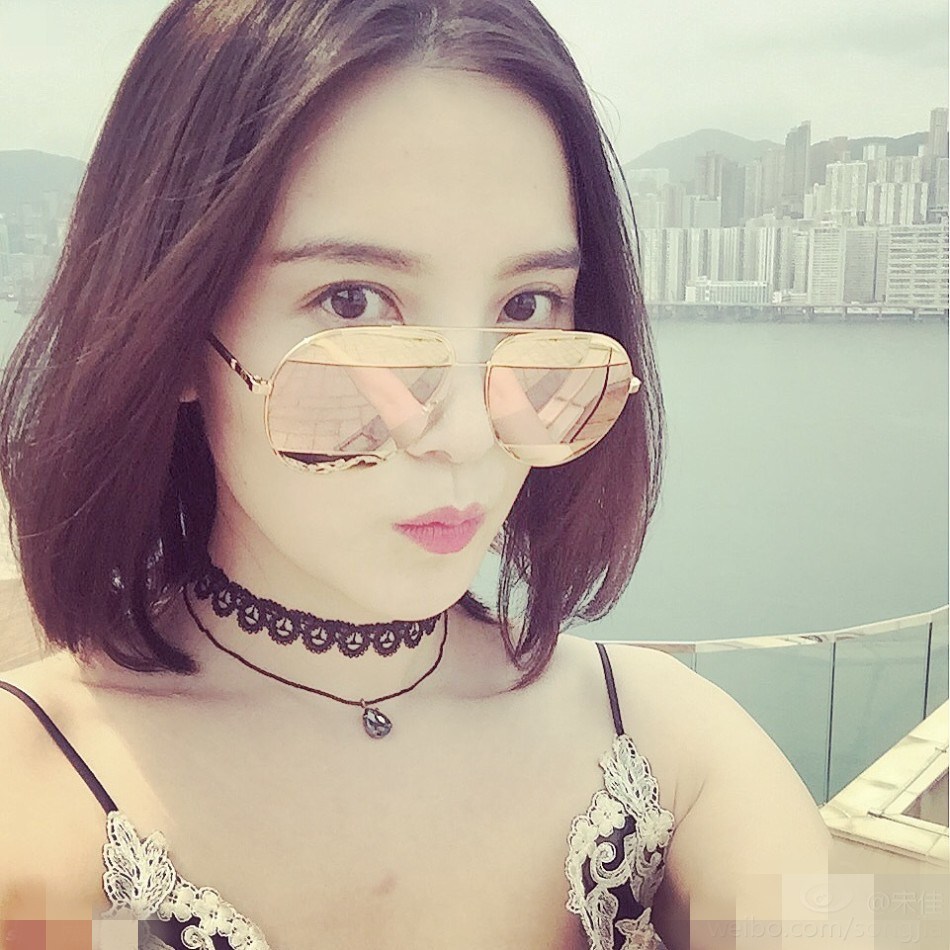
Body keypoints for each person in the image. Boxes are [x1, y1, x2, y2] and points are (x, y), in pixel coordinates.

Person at [0, 1, 831, 948]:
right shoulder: (36, 806)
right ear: (179, 328)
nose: (467, 434)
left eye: (528, 305)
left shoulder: (676, 756)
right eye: (354, 302)